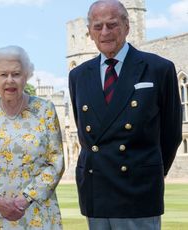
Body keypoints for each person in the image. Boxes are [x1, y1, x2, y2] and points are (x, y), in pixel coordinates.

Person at [68, 0, 182, 229]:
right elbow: (85, 134)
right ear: (89, 32)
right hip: (96, 190)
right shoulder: (78, 75)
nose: (105, 32)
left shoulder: (159, 68)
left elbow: (171, 133)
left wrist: (148, 172)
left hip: (138, 190)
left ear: (127, 26)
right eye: (98, 26)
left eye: (112, 24)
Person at [0, 45, 65, 230]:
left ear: (26, 76)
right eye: (3, 75)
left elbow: (56, 162)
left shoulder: (45, 110)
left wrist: (26, 198)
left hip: (37, 211)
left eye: (16, 74)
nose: (10, 80)